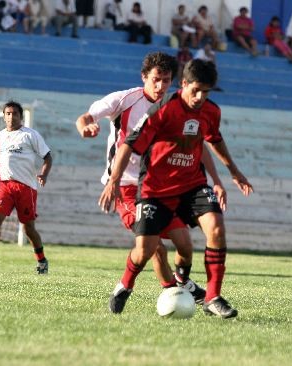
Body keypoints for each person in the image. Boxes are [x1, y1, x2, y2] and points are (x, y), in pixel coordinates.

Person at [99, 59, 253, 318]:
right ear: (183, 85)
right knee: (146, 250)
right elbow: (128, 145)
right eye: (196, 90)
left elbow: (213, 139)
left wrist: (232, 173)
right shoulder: (162, 110)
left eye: (206, 91)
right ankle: (125, 284)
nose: (201, 97)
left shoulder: (211, 111)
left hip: (192, 185)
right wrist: (113, 180)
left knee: (215, 227)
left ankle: (212, 296)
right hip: (155, 189)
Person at [75, 52, 224, 306]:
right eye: (156, 79)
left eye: (166, 80)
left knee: (185, 245)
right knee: (153, 245)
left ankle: (182, 283)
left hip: (158, 187)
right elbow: (86, 117)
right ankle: (169, 293)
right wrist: (85, 128)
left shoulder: (175, 106)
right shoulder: (124, 100)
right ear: (144, 77)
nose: (160, 86)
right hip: (126, 187)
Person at [0, 101, 52, 274]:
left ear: (20, 116)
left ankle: (42, 260)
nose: (11, 116)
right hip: (4, 186)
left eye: (14, 113)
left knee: (28, 228)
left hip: (26, 188)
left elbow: (48, 157)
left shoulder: (30, 135)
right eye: (7, 113)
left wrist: (44, 174)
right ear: (4, 116)